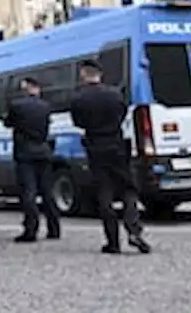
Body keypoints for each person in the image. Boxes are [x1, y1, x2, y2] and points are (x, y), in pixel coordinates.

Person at [69, 59, 150, 255]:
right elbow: (122, 114)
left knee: (104, 193)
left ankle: (112, 241)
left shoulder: (78, 98)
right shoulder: (115, 95)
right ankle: (133, 229)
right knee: (128, 189)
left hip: (95, 148)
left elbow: (78, 122)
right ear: (100, 74)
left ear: (83, 74)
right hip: (117, 145)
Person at [6, 76, 61, 243]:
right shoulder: (46, 106)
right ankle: (54, 228)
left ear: (26, 88)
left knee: (29, 192)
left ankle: (31, 229)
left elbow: (9, 122)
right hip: (43, 151)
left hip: (25, 153)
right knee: (47, 191)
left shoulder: (17, 105)